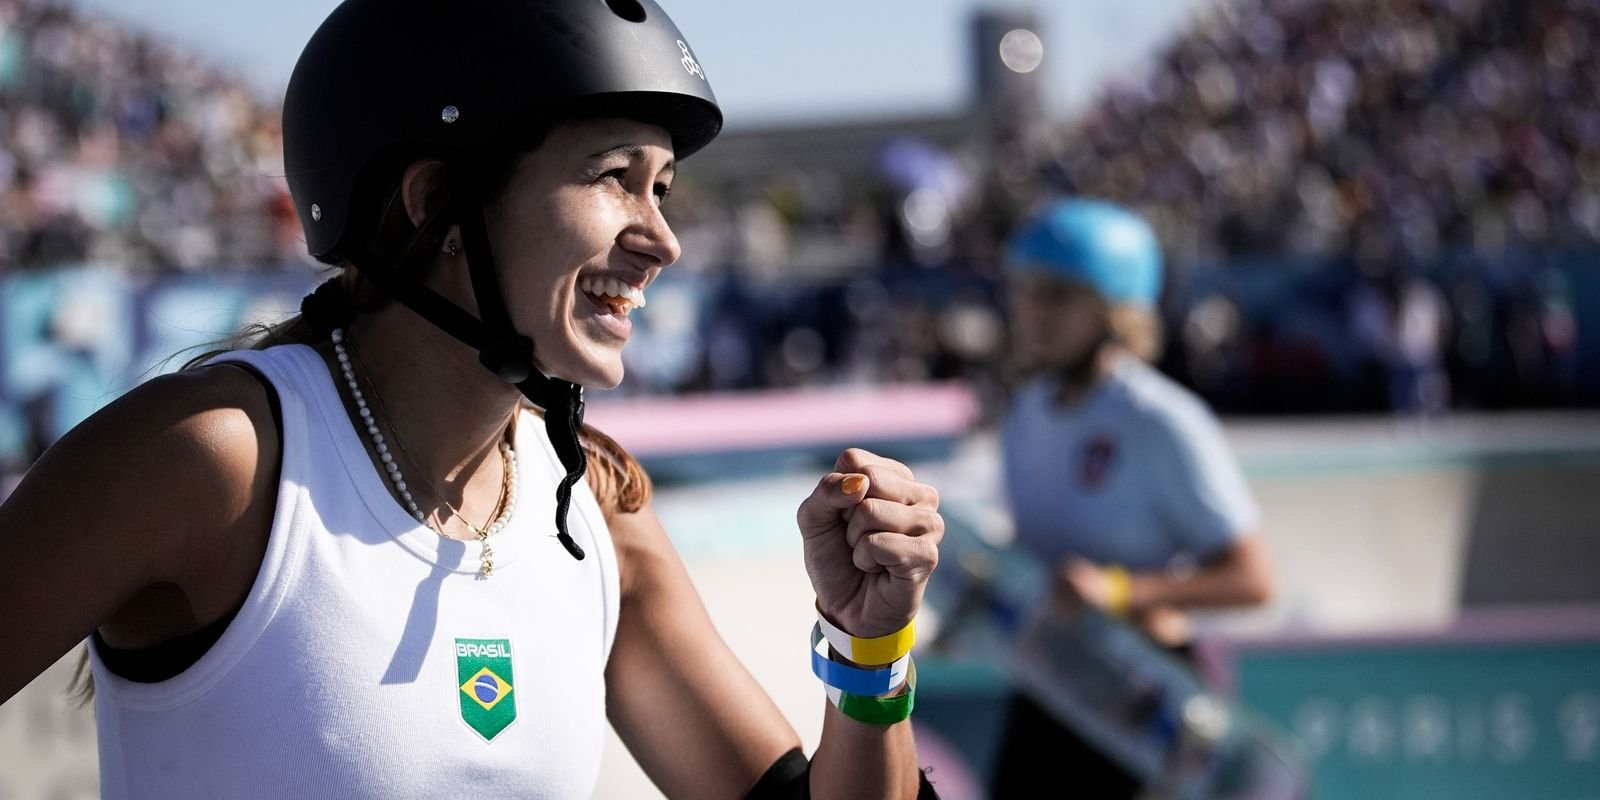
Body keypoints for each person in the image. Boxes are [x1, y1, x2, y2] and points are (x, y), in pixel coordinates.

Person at [0, 2, 945, 798]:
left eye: (664, 190)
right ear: (434, 203)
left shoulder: (598, 511)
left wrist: (870, 642)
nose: (664, 240)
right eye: (616, 178)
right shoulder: (215, 458)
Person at [988, 199, 1273, 798]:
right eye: (1026, 289)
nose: (1035, 310)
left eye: (1059, 293)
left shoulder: (1161, 419)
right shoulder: (1026, 414)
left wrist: (1118, 591)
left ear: (1115, 312)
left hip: (1143, 699)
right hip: (1049, 689)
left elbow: (1253, 578)